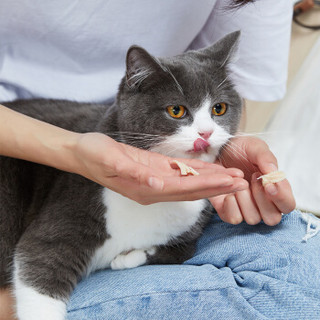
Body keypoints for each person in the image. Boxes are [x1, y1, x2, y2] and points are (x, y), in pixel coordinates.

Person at [0, 1, 319, 319]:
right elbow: (44, 254)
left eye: (217, 112)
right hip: (33, 147)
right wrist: (73, 152)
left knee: (299, 262)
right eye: (180, 112)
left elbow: (211, 90)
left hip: (132, 143)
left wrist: (227, 155)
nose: (207, 131)